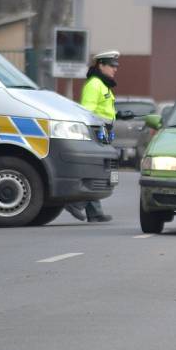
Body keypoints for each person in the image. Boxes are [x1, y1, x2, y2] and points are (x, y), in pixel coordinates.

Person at [65, 50, 128, 222]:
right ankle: (76, 203)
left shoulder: (103, 84)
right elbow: (87, 112)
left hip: (104, 133)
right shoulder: (94, 85)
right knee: (98, 171)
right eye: (111, 66)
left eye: (116, 66)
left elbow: (103, 110)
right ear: (101, 65)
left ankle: (94, 212)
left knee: (100, 171)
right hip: (97, 134)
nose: (115, 69)